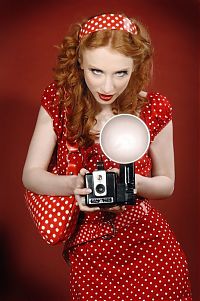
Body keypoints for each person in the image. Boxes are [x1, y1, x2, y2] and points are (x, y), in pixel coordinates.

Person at [22, 13, 192, 301]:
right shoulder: (59, 102)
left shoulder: (154, 108)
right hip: (89, 249)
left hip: (149, 247)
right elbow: (31, 175)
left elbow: (167, 183)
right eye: (96, 71)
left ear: (135, 67)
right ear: (79, 63)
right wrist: (76, 185)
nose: (108, 87)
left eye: (121, 73)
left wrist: (131, 183)